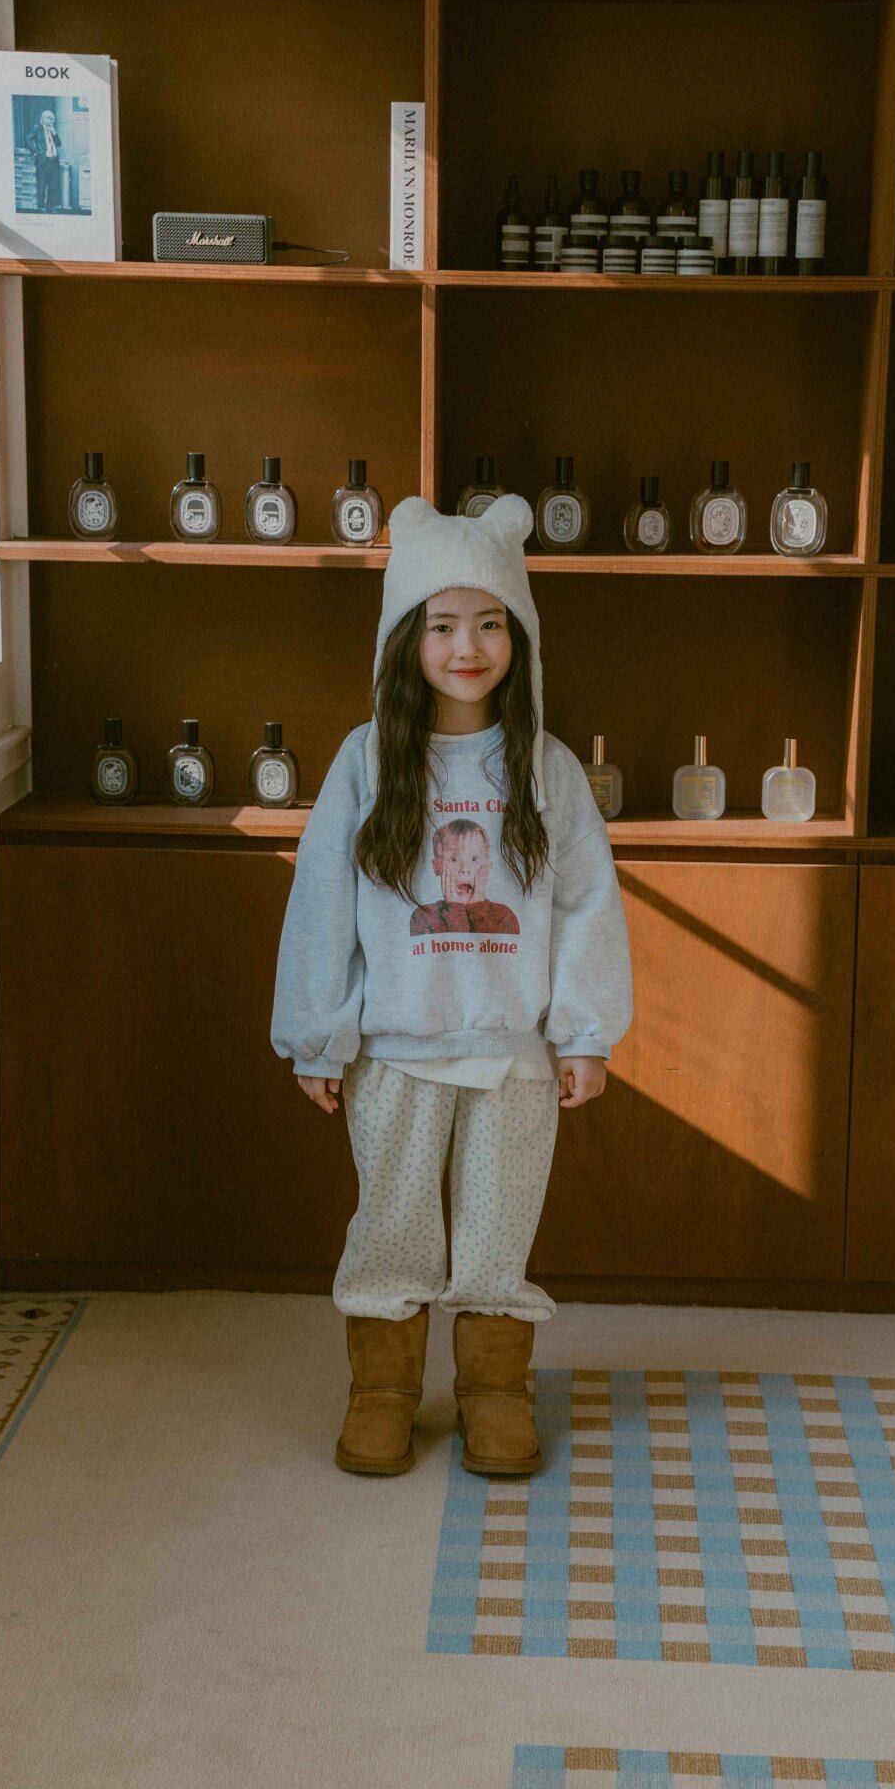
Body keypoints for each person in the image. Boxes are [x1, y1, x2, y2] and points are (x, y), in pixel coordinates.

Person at [271, 492, 633, 1480]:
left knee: (495, 1236)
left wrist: (585, 1032)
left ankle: (492, 1392)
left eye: (488, 623)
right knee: (390, 1228)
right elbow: (322, 904)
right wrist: (317, 1034)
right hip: (395, 1052)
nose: (466, 646)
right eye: (441, 625)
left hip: (514, 1057)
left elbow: (585, 906)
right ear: (405, 637)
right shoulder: (366, 762)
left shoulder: (547, 770)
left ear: (518, 635)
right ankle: (382, 1392)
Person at [26, 108, 64, 212]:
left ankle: (50, 207)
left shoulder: (52, 130)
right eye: (48, 118)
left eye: (52, 119)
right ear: (42, 119)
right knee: (42, 184)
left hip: (54, 161)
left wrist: (54, 132)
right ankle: (41, 207)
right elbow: (28, 139)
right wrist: (36, 151)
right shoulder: (37, 128)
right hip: (44, 160)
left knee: (53, 185)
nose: (50, 120)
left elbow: (59, 144)